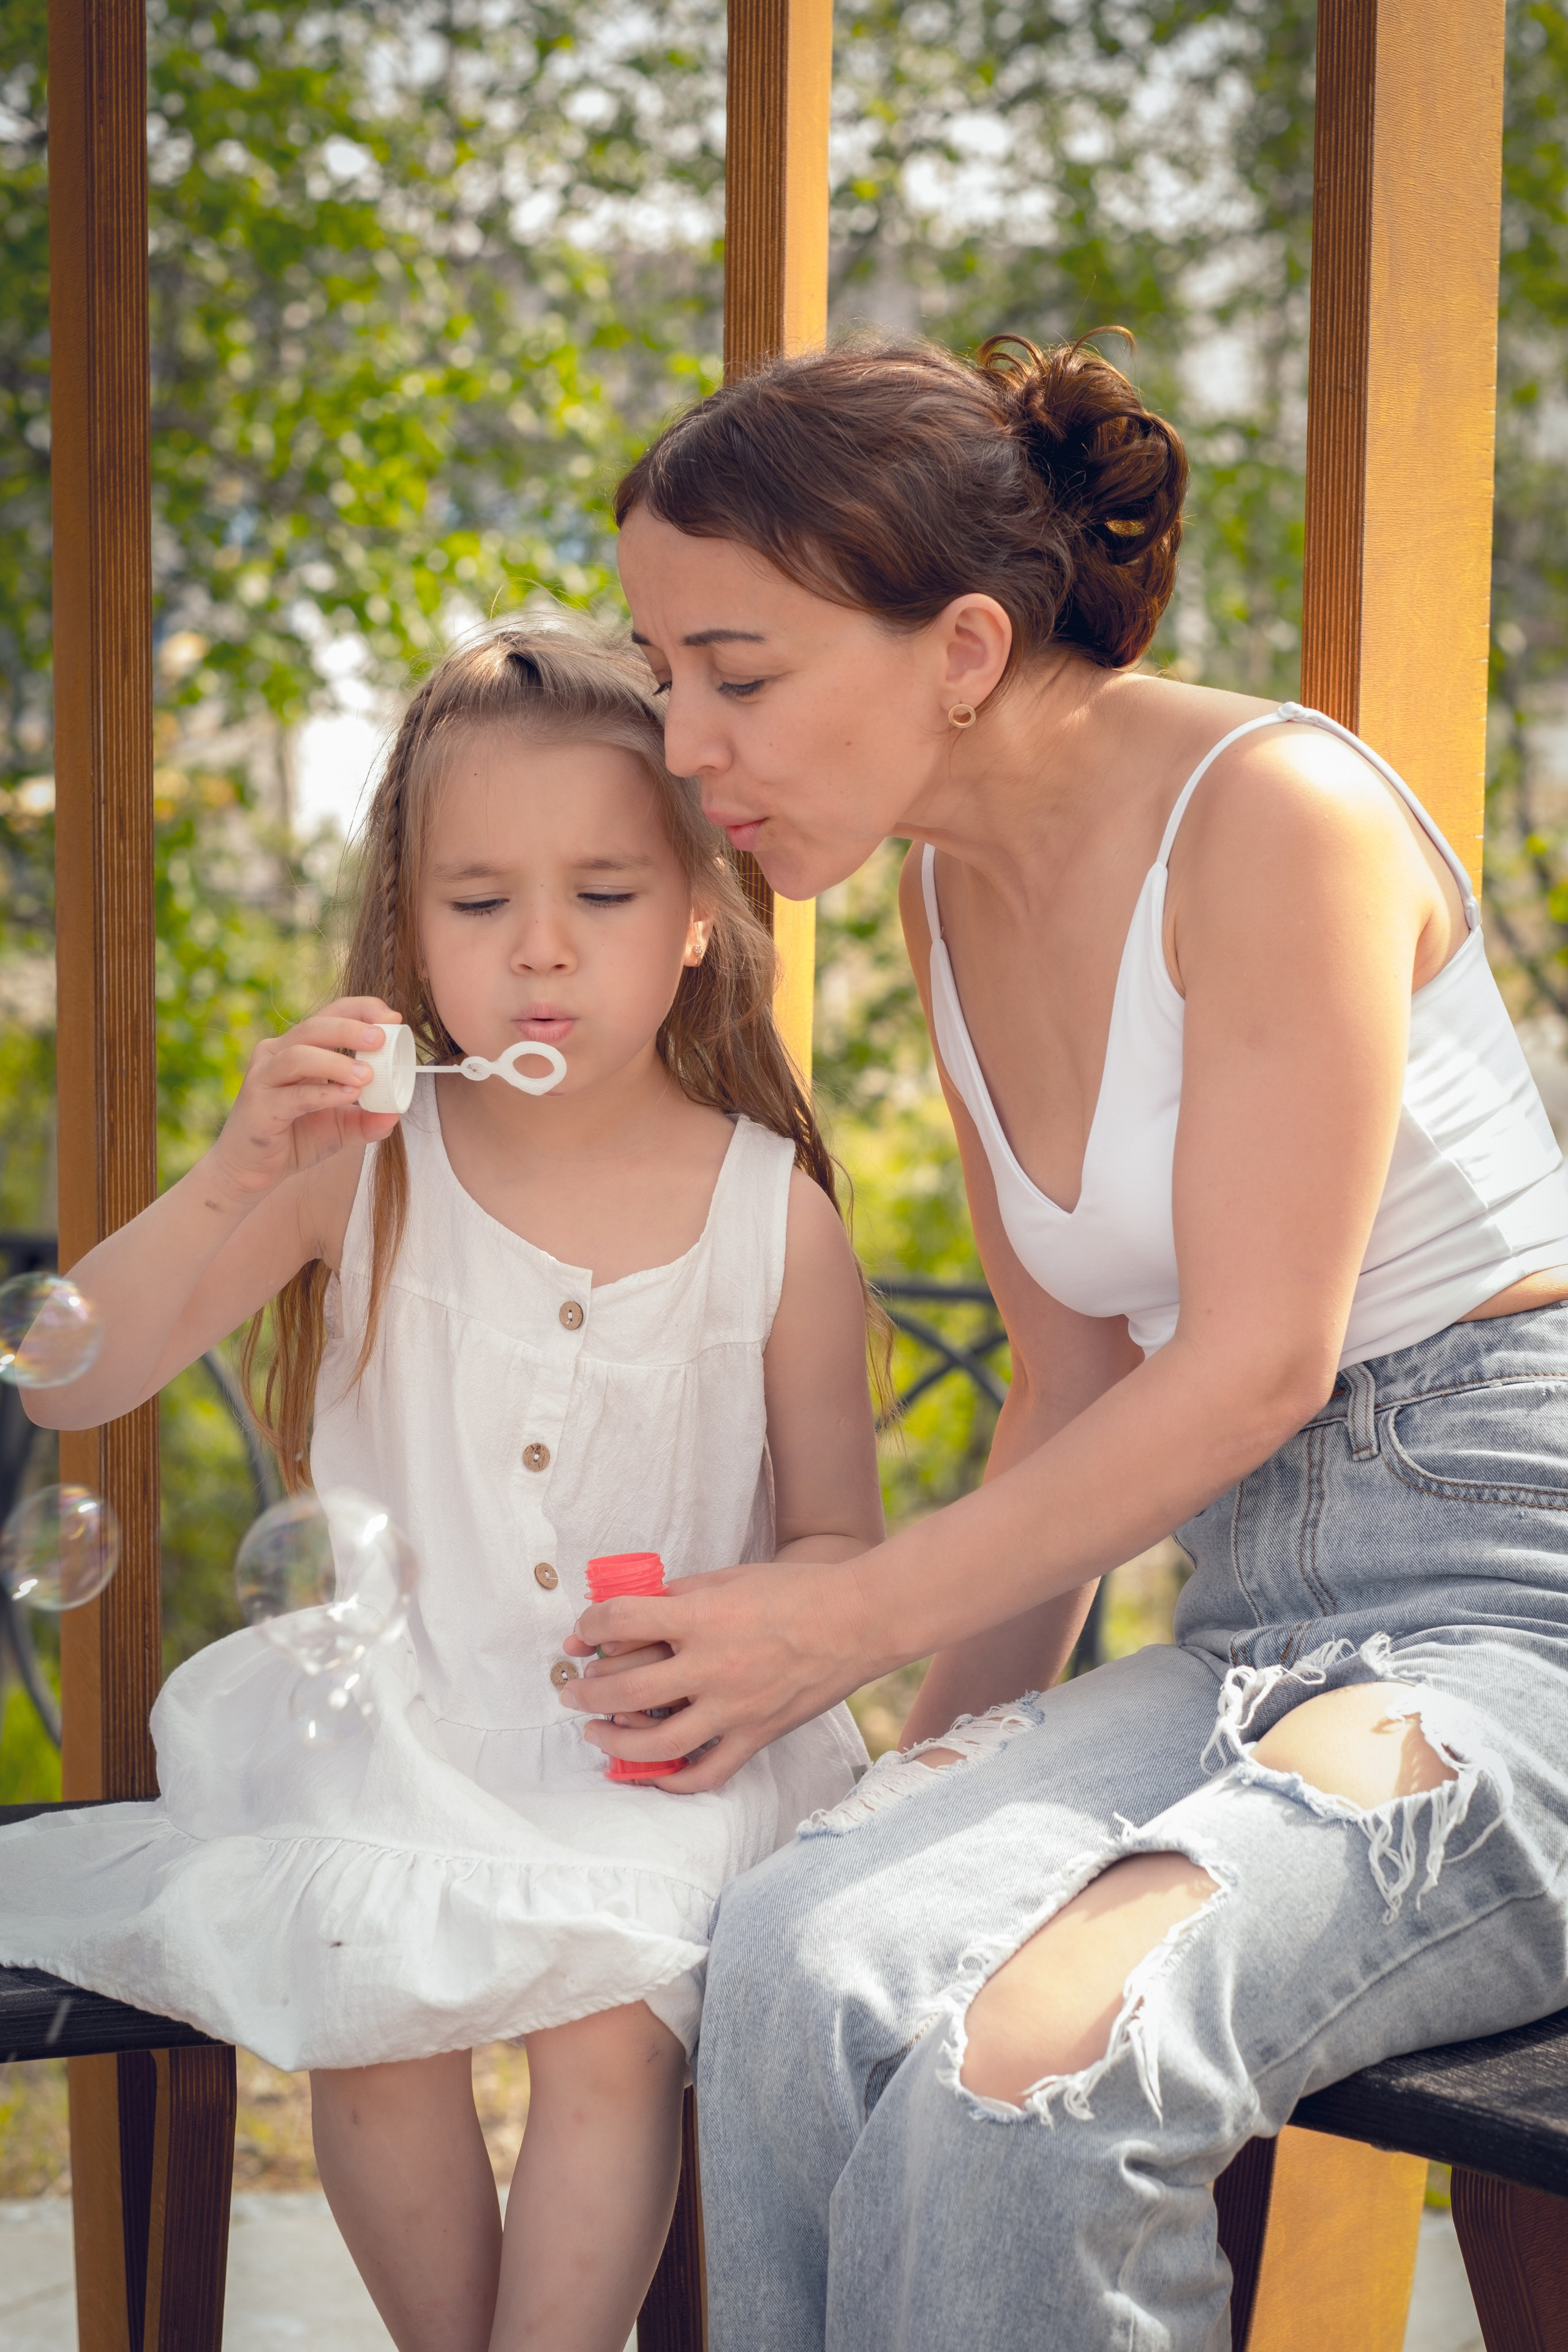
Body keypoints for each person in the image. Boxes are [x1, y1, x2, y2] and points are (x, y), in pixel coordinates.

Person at [565, 334, 1568, 2349]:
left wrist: (823, 1632)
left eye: (736, 674)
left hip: (1512, 1617)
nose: (682, 744)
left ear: (958, 645)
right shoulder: (952, 893)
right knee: (797, 1957)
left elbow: (1261, 1362)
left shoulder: (1276, 810)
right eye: (666, 673)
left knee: (1044, 2057)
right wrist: (924, 1779)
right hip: (1245, 1629)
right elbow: (1075, 1384)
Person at [0, 630, 881, 2352]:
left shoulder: (772, 1217)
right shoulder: (360, 1170)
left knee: (611, 2022)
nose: (540, 949)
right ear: (407, 928)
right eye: (476, 904)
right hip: (396, 1727)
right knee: (372, 2014)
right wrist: (238, 1166)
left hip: (662, 1753)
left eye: (606, 894)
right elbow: (76, 1369)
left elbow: (841, 1540)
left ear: (702, 910)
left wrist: (752, 1643)